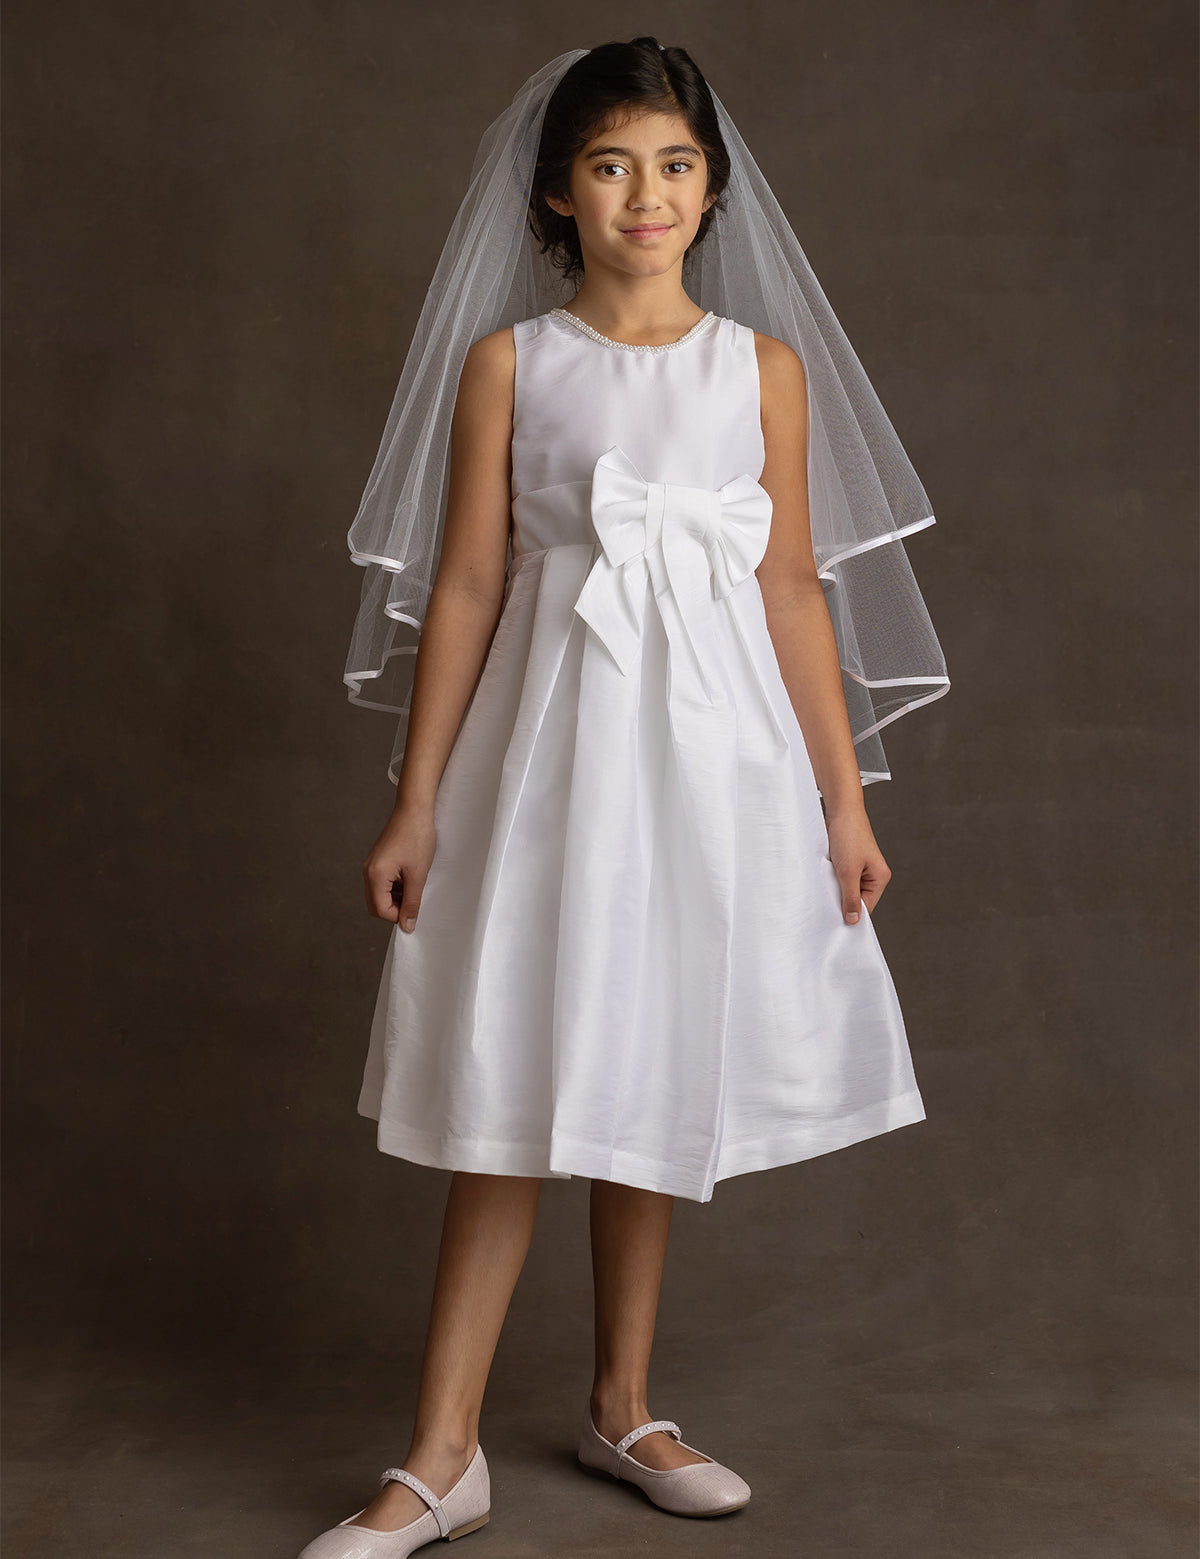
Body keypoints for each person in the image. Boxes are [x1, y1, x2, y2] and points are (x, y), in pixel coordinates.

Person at [299, 35, 949, 1559]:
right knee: (520, 1080)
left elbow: (793, 592)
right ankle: (440, 1453)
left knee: (658, 1064)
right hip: (553, 764)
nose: (644, 196)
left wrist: (844, 805)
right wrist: (416, 802)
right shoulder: (515, 366)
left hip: (715, 767)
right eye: (610, 167)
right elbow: (466, 586)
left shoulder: (761, 374)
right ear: (557, 192)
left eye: (672, 166)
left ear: (711, 188)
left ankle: (622, 1405)